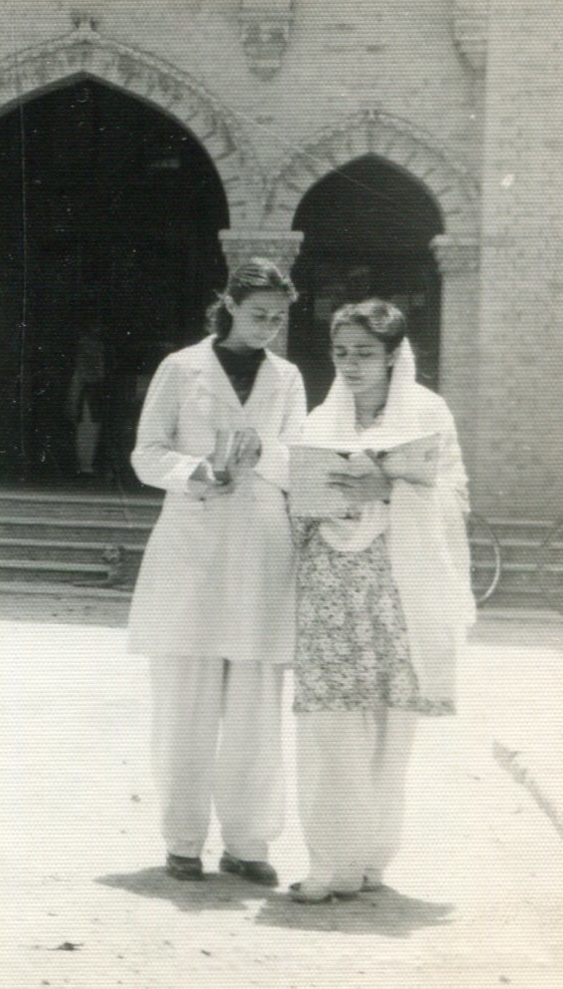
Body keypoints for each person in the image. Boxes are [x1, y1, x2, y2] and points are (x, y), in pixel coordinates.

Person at [127, 258, 306, 887]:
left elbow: (301, 463)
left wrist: (270, 455)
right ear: (228, 304)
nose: (268, 327)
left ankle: (248, 841)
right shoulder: (182, 368)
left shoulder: (286, 378)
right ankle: (182, 840)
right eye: (258, 314)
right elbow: (146, 454)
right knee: (186, 698)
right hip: (193, 548)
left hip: (260, 545)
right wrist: (199, 472)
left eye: (280, 318)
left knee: (257, 702)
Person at [288, 300, 473, 903]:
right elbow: (299, 497)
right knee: (330, 726)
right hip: (330, 587)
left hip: (398, 584)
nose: (350, 364)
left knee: (392, 728)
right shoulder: (321, 418)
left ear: (394, 354)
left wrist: (389, 488)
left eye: (365, 353)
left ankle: (369, 859)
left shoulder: (428, 412)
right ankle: (329, 863)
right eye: (341, 353)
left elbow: (455, 497)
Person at [66, 334, 109, 478]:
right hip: (88, 401)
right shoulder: (84, 371)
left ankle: (87, 466)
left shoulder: (93, 371)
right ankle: (86, 467)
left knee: (90, 431)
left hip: (91, 400)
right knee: (87, 431)